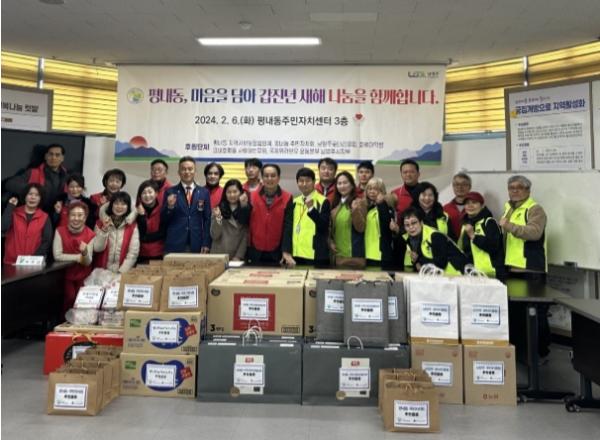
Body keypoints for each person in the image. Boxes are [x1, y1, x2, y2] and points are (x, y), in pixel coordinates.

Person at [500, 175, 550, 357]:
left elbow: (535, 232)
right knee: (517, 314)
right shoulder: (508, 208)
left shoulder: (535, 209)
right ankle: (522, 353)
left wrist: (510, 226)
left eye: (519, 187)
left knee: (536, 314)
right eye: (511, 187)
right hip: (512, 268)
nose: (514, 191)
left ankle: (541, 353)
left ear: (528, 190)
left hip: (531, 269)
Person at [282, 167, 331, 268]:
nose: (304, 184)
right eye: (301, 181)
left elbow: (324, 226)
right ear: (297, 183)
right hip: (296, 255)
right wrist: (286, 251)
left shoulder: (323, 201)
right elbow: (288, 228)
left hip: (316, 256)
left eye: (308, 181)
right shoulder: (294, 202)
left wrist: (312, 209)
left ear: (314, 182)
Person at [161, 156, 211, 254]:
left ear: (195, 171)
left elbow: (207, 220)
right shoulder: (170, 192)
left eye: (190, 169)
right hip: (175, 243)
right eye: (183, 169)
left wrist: (206, 243)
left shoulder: (204, 192)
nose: (187, 172)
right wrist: (170, 207)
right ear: (179, 172)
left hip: (197, 243)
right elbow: (163, 219)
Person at [53, 202, 95, 313]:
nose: (76, 218)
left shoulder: (90, 234)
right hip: (65, 275)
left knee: (81, 302)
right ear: (68, 216)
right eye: (73, 215)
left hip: (84, 275)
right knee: (69, 299)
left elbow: (87, 262)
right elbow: (57, 255)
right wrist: (78, 257)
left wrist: (85, 253)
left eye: (80, 215)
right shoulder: (59, 231)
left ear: (85, 217)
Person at [247, 164, 293, 266]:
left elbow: (288, 226)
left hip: (277, 252)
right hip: (255, 251)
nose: (269, 179)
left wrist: (286, 250)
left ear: (278, 178)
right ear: (262, 178)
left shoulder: (287, 197)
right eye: (266, 176)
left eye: (273, 175)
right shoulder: (251, 196)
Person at [402, 207, 467, 275]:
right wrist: (417, 261)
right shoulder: (409, 240)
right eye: (407, 225)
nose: (411, 227)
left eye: (414, 223)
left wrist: (419, 259)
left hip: (458, 275)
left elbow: (441, 263)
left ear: (421, 222)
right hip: (439, 276)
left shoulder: (435, 236)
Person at [4, 144, 68, 213]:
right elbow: (10, 184)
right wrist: (31, 190)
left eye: (57, 155)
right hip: (35, 215)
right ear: (46, 156)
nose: (53, 158)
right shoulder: (32, 172)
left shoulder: (67, 177)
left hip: (58, 216)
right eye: (50, 154)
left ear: (62, 158)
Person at [458, 192, 505, 280]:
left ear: (482, 206)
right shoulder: (465, 225)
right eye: (467, 203)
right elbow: (463, 250)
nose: (470, 205)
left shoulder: (489, 222)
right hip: (472, 274)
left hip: (491, 274)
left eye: (474, 202)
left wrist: (474, 236)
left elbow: (494, 247)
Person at [2, 183, 52, 264]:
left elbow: (46, 242)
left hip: (33, 264)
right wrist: (10, 207)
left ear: (40, 199)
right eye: (30, 194)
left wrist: (31, 260)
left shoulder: (45, 217)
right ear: (25, 196)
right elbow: (3, 228)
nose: (33, 197)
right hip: (11, 262)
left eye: (37, 195)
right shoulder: (13, 213)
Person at [93, 191, 139, 273]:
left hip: (121, 272)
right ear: (111, 205)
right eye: (116, 203)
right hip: (101, 271)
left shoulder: (132, 226)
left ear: (128, 207)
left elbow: (133, 253)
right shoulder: (100, 223)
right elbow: (97, 248)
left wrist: (121, 271)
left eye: (123, 204)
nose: (119, 207)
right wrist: (104, 230)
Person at [329, 171, 367, 268]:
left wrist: (355, 210)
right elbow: (331, 231)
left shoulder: (359, 202)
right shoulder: (335, 207)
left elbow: (361, 228)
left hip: (355, 257)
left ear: (352, 185)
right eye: (339, 183)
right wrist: (330, 242)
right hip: (338, 256)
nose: (342, 186)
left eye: (345, 183)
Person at [210, 179, 250, 261]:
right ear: (225, 194)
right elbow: (215, 235)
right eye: (229, 192)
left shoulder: (245, 209)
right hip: (218, 254)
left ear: (241, 193)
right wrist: (218, 218)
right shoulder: (218, 209)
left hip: (236, 256)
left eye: (235, 192)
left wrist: (239, 256)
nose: (232, 195)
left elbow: (245, 236)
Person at [364, 177, 396, 269]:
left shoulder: (387, 206)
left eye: (375, 189)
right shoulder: (367, 207)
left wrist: (381, 203)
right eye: (369, 189)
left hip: (380, 254)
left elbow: (387, 226)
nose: (372, 191)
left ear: (382, 191)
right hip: (366, 252)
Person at [136, 180, 165, 262]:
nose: (147, 195)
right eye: (144, 193)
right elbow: (139, 234)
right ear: (140, 196)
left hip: (159, 253)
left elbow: (162, 233)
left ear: (156, 193)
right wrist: (141, 216)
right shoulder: (136, 211)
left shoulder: (163, 210)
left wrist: (145, 237)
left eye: (150, 192)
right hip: (140, 253)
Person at [444, 172, 472, 239]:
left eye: (464, 184)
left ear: (470, 187)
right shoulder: (445, 209)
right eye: (457, 184)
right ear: (453, 187)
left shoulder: (477, 208)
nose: (460, 187)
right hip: (451, 244)